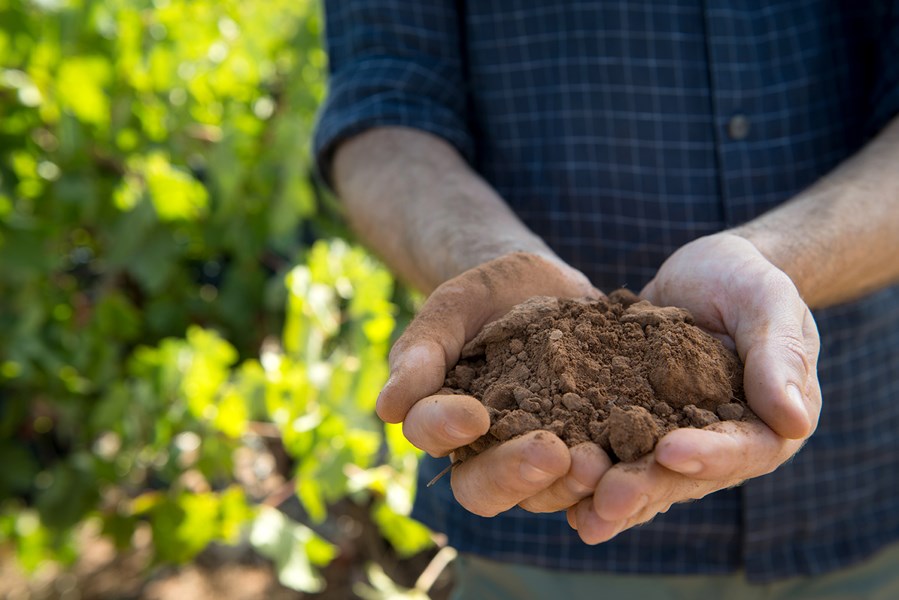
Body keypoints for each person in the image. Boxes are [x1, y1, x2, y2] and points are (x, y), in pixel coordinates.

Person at [313, 2, 899, 598]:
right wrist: (488, 259)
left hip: (863, 490)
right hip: (542, 541)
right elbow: (384, 99)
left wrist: (777, 261)